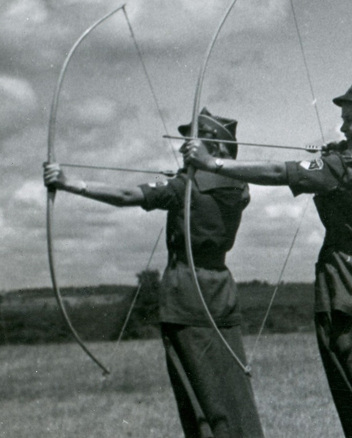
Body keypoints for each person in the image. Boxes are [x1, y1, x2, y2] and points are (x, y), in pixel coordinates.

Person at [182, 71, 352, 438]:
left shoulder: (346, 166)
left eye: (350, 118)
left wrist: (213, 163)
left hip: (347, 286)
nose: (342, 125)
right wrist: (338, 157)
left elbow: (279, 171)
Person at [44, 108, 264, 438]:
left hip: (185, 293)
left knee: (198, 395)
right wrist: (187, 173)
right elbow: (216, 180)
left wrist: (67, 183)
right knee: (230, 393)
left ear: (215, 147)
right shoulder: (239, 187)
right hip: (221, 291)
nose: (183, 149)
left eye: (193, 142)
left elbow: (124, 195)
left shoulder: (183, 186)